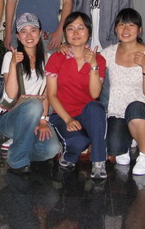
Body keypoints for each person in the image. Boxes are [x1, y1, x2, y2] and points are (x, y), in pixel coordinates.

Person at [0, 13, 62, 174]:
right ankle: (17, 160)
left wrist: (44, 120)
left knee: (52, 149)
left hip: (36, 116)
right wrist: (13, 65)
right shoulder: (10, 56)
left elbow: (46, 94)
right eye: (23, 31)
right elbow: (11, 94)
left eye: (33, 30)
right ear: (18, 36)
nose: (29, 35)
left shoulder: (48, 59)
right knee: (33, 105)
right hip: (9, 118)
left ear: (40, 33)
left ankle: (19, 144)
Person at [46, 11, 108, 179]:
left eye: (81, 28)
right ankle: (69, 154)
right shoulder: (57, 58)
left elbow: (95, 94)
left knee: (96, 107)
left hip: (87, 114)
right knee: (79, 141)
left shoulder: (99, 59)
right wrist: (68, 119)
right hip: (62, 115)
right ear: (65, 33)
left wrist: (93, 64)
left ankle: (98, 161)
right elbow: (51, 95)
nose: (75, 33)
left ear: (89, 32)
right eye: (70, 28)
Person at [102, 8, 145, 175]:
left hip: (144, 111)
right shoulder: (108, 53)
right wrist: (65, 47)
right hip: (118, 113)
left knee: (135, 107)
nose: (126, 29)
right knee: (115, 148)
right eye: (121, 25)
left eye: (131, 25)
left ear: (140, 30)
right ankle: (139, 137)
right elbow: (86, 58)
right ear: (115, 29)